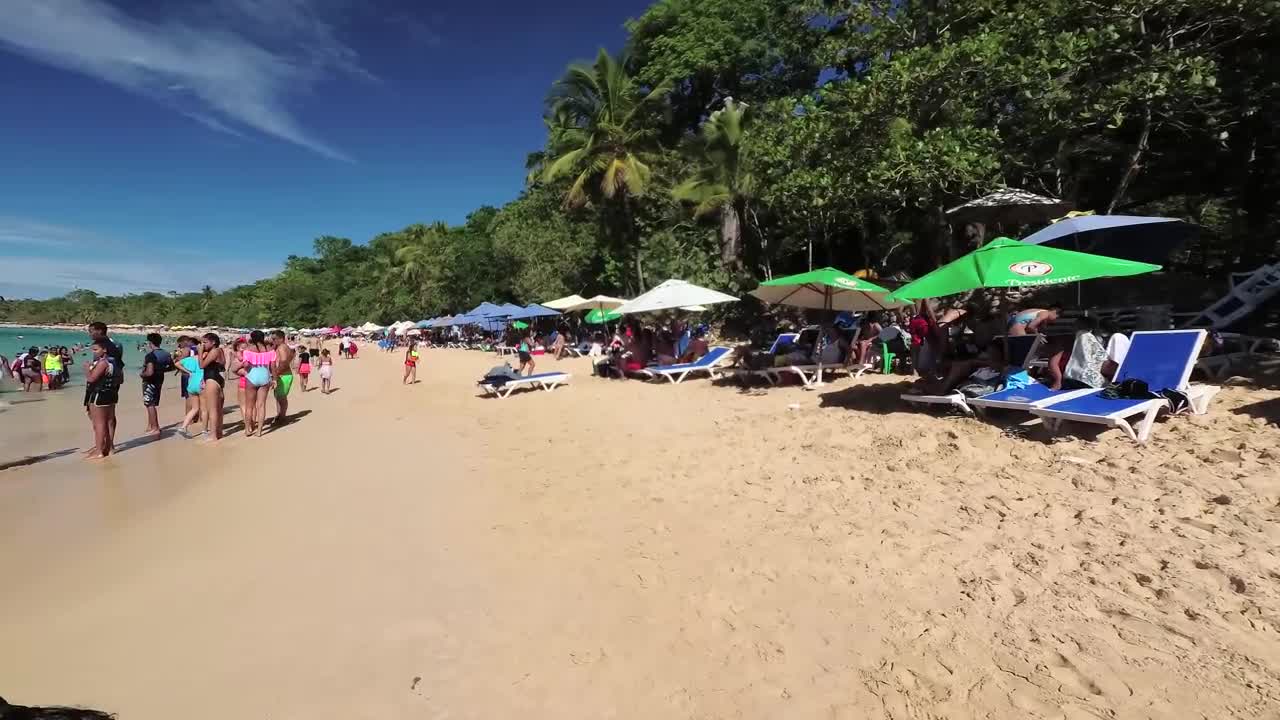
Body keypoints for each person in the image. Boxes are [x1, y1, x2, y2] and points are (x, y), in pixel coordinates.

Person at [82, 339, 118, 460]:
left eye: (96, 349)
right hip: (111, 394)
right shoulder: (114, 363)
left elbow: (91, 379)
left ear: (104, 350)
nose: (94, 352)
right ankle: (107, 447)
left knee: (99, 424)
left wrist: (87, 368)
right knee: (108, 422)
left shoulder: (102, 363)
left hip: (99, 395)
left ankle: (98, 450)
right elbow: (120, 379)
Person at [240, 331, 273, 437]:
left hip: (252, 376)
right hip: (265, 376)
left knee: (249, 406)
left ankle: (247, 429)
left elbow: (245, 365)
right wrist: (275, 379)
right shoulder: (269, 349)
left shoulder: (248, 349)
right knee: (261, 405)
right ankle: (259, 431)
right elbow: (273, 367)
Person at [140, 333, 170, 436]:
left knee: (150, 404)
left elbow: (149, 372)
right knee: (153, 402)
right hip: (159, 379)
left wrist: (142, 374)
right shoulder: (166, 353)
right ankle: (150, 425)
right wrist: (161, 370)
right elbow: (172, 367)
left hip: (150, 381)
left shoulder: (150, 355)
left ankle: (155, 427)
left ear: (150, 343)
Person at [198, 333, 226, 442]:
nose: (202, 345)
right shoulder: (219, 350)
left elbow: (201, 365)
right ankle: (218, 432)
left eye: (205, 342)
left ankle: (213, 435)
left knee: (212, 409)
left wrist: (200, 353)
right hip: (218, 379)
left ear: (213, 342)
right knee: (218, 409)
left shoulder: (214, 351)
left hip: (212, 381)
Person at [270, 330, 295, 425]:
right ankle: (280, 415)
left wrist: (276, 372)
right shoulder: (285, 347)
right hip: (284, 374)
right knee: (279, 397)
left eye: (274, 339)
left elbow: (283, 361)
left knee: (281, 397)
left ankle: (282, 416)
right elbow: (291, 356)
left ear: (281, 338)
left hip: (284, 375)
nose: (273, 341)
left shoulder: (281, 347)